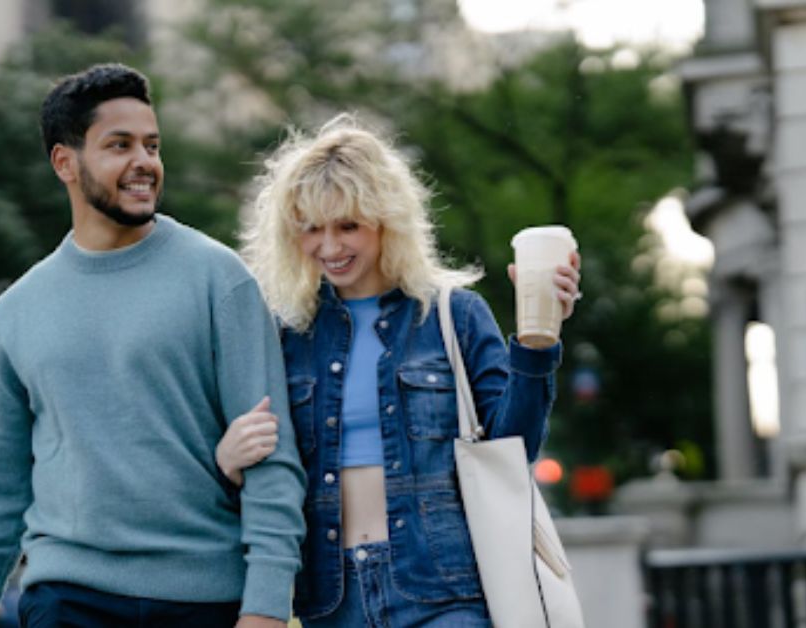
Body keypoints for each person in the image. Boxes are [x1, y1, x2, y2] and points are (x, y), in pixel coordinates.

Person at [0, 63, 306, 628]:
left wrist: (264, 608)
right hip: (68, 599)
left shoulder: (219, 278)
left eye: (152, 145)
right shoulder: (17, 311)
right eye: (120, 145)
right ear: (65, 162)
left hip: (204, 601)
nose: (144, 162)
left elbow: (272, 458)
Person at [216, 115, 582, 626]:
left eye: (348, 226)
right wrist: (228, 462)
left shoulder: (454, 315)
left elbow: (513, 449)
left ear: (387, 222)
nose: (329, 246)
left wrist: (539, 341)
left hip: (444, 589)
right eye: (312, 229)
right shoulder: (285, 337)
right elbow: (269, 478)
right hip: (331, 600)